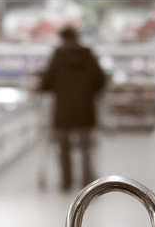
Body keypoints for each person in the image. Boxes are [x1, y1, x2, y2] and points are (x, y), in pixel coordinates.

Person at [38, 26, 108, 191]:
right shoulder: (88, 55)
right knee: (86, 148)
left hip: (63, 110)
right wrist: (87, 92)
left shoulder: (57, 56)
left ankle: (66, 182)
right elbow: (101, 81)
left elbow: (45, 84)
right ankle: (86, 181)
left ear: (62, 38)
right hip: (85, 109)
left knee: (64, 148)